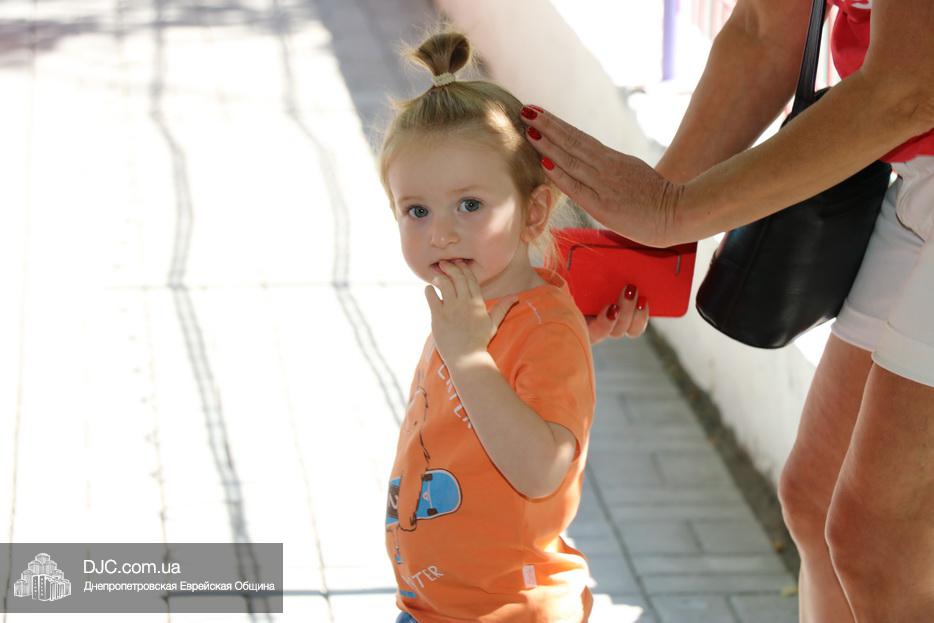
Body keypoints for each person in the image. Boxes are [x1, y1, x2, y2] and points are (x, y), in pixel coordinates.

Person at [517, 0, 934, 620]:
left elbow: (907, 87)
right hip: (918, 170)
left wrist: (672, 211)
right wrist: (640, 235)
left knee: (879, 546)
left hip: (913, 119)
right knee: (816, 500)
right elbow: (764, 28)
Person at [377, 31, 636, 622]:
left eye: (470, 205)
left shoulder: (540, 329)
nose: (441, 233)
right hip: (430, 606)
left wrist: (469, 357)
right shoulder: (472, 307)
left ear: (534, 212)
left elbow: (542, 471)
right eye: (417, 210)